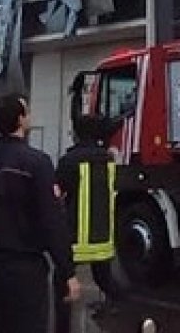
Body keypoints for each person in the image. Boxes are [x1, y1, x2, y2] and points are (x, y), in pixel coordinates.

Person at [0, 95, 78, 333]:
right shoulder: (37, 163)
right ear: (20, 119)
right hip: (24, 269)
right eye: (27, 112)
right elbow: (51, 220)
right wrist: (67, 270)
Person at [55, 115, 120, 331]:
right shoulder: (108, 158)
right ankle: (126, 316)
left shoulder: (69, 160)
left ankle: (62, 328)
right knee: (105, 279)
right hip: (102, 237)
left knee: (62, 283)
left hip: (75, 238)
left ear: (77, 133)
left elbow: (56, 192)